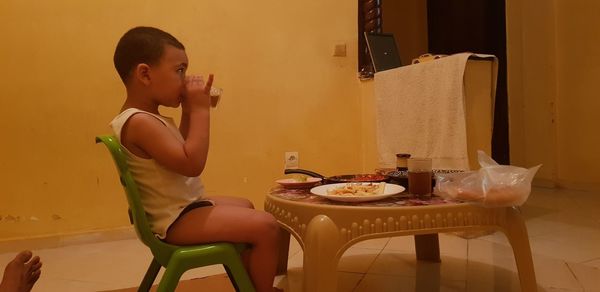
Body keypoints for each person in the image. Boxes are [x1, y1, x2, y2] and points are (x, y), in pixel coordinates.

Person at [110, 27, 281, 292]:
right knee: (267, 227)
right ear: (145, 74)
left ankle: (248, 284)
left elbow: (182, 152)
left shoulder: (147, 118)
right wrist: (201, 110)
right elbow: (192, 163)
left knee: (246, 205)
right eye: (179, 70)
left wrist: (189, 110)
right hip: (174, 221)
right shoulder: (140, 122)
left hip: (179, 209)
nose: (185, 79)